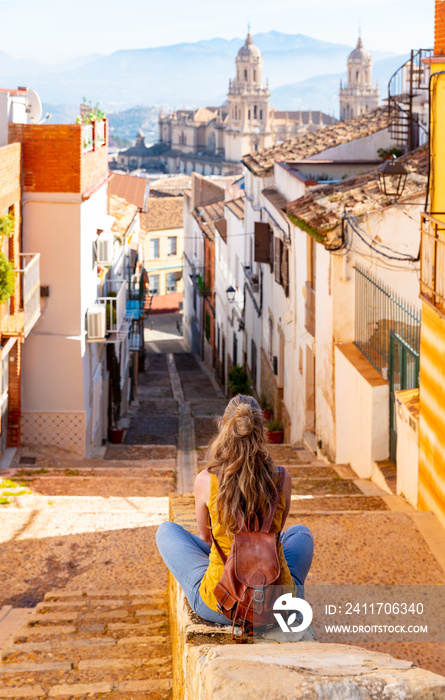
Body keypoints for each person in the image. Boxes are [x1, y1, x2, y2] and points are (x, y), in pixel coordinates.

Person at [156, 394, 314, 625]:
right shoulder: (282, 478)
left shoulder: (206, 480)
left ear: (224, 428)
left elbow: (206, 537)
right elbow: (276, 531)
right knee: (300, 533)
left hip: (224, 604)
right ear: (262, 429)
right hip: (276, 603)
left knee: (166, 531)